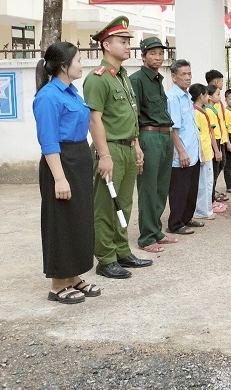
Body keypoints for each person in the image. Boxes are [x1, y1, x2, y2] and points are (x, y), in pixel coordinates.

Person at [83, 17, 152, 279]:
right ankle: (105, 258)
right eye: (122, 42)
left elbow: (128, 116)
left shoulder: (122, 76)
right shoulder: (98, 79)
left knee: (123, 202)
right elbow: (94, 119)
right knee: (105, 205)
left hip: (127, 147)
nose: (128, 46)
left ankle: (123, 251)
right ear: (106, 45)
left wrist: (135, 145)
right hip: (109, 149)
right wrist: (104, 156)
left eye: (128, 42)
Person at [33, 42, 100, 304]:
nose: (82, 65)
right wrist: (59, 178)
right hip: (60, 162)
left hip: (79, 158)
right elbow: (48, 141)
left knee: (79, 219)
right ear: (64, 65)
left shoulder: (72, 93)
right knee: (60, 222)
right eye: (79, 60)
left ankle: (74, 276)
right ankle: (57, 285)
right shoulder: (48, 97)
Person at [129, 37, 177, 254]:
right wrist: (137, 145)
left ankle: (156, 230)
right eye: (153, 53)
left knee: (161, 187)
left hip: (165, 136)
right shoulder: (137, 80)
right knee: (148, 188)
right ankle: (146, 237)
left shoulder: (158, 79)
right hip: (149, 137)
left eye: (160, 53)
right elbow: (133, 115)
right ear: (143, 56)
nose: (158, 57)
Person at [167, 59, 202, 235]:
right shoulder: (173, 98)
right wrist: (181, 151)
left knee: (191, 189)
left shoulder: (187, 96)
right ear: (174, 77)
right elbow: (172, 128)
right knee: (179, 190)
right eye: (183, 74)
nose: (188, 78)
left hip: (193, 151)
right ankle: (175, 223)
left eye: (189, 74)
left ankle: (186, 218)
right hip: (182, 153)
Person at [191, 83, 217, 221]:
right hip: (203, 153)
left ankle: (206, 209)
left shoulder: (202, 111)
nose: (208, 97)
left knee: (208, 182)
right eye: (206, 95)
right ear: (201, 96)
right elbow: (198, 135)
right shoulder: (196, 112)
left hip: (207, 152)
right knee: (203, 183)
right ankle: (202, 210)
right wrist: (200, 153)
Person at [205, 83, 230, 203]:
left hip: (219, 140)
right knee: (214, 170)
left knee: (219, 166)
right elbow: (212, 132)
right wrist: (216, 150)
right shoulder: (209, 111)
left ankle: (212, 195)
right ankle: (211, 199)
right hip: (214, 142)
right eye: (217, 94)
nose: (220, 97)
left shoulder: (213, 109)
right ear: (209, 97)